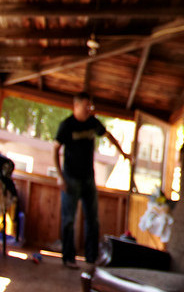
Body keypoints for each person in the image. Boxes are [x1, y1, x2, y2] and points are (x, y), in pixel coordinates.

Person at [53, 92, 131, 268]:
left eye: (90, 106)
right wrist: (60, 176)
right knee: (68, 220)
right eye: (86, 105)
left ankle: (91, 258)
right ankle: (68, 258)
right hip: (70, 178)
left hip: (88, 178)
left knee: (93, 220)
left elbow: (108, 135)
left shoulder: (93, 123)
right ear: (76, 105)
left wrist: (123, 153)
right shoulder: (66, 125)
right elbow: (55, 150)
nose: (89, 109)